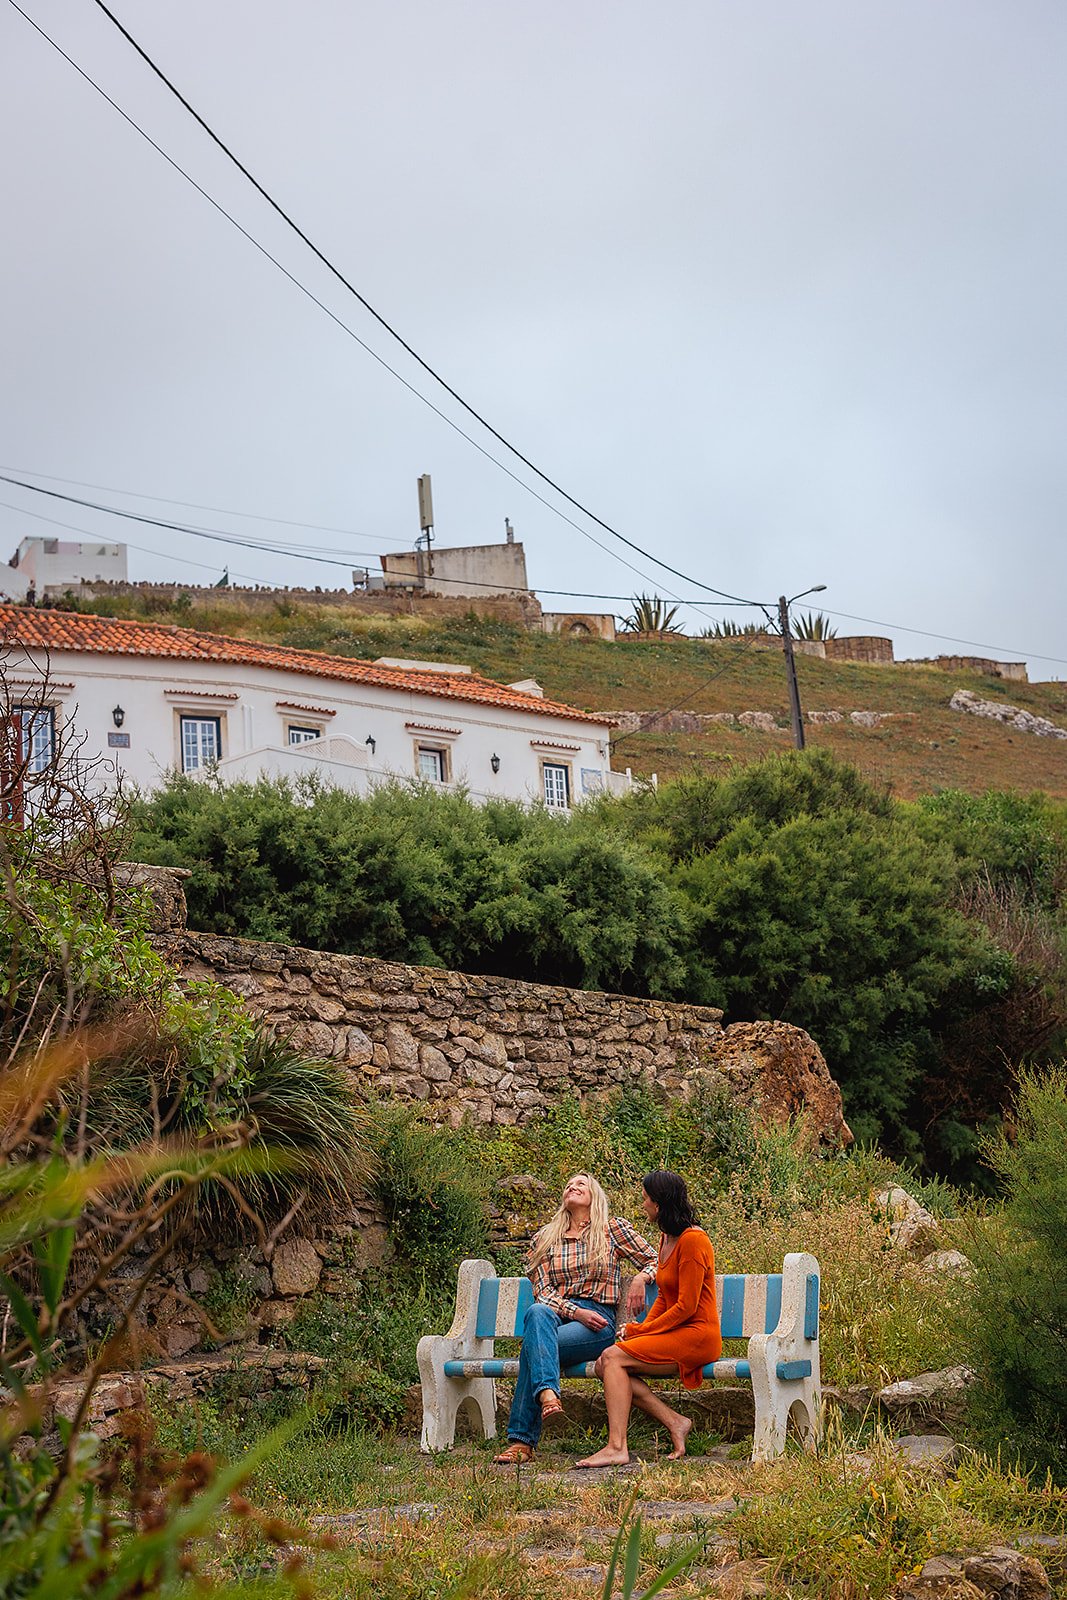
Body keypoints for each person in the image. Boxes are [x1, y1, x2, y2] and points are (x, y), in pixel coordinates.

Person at [492, 1172, 659, 1465]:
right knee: (537, 1313)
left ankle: (521, 1441)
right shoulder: (545, 1238)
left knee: (535, 1346)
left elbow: (656, 1259)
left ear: (594, 1195)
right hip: (556, 1316)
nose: (573, 1186)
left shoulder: (612, 1230)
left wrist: (641, 1278)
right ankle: (547, 1395)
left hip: (597, 1323)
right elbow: (541, 1292)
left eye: (581, 1184)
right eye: (569, 1185)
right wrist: (574, 1311)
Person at [575, 1169, 721, 1468]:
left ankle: (617, 1447)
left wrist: (645, 1330)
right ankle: (675, 1421)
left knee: (612, 1358)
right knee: (607, 1364)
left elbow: (687, 1307)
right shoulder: (666, 1237)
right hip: (678, 1331)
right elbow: (666, 1297)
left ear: (660, 1202)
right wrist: (638, 1331)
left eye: (645, 1200)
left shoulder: (693, 1241)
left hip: (698, 1336)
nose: (642, 1205)